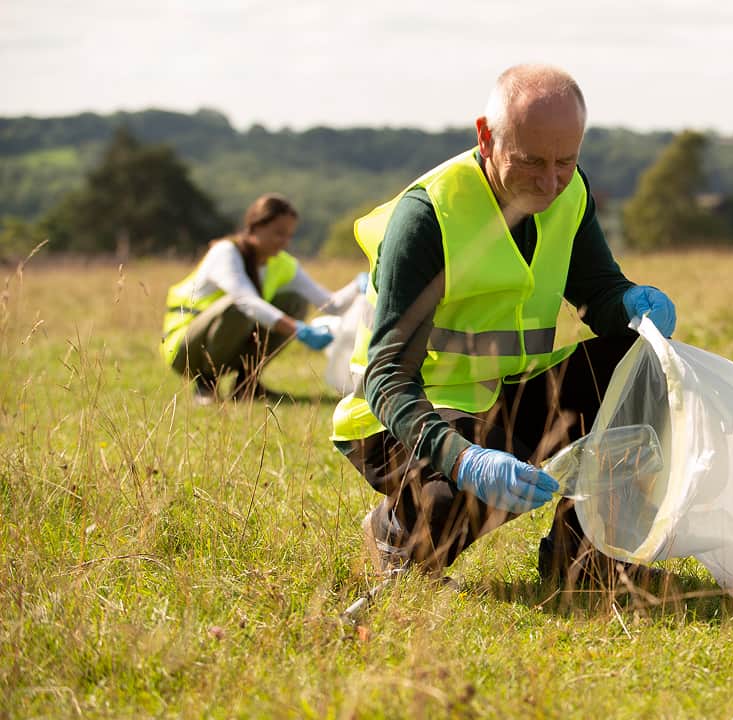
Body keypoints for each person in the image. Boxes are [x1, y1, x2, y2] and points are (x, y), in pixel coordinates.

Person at [330, 64, 678, 590]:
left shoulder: (568, 194)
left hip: (502, 401)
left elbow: (598, 293)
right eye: (532, 161)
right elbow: (387, 380)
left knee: (641, 359)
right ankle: (395, 532)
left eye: (566, 161)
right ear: (486, 137)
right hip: (406, 420)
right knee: (450, 508)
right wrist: (462, 459)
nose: (550, 181)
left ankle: (585, 557)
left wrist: (630, 302)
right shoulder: (426, 218)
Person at [162, 193, 367, 404]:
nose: (284, 242)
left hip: (228, 347)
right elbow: (246, 301)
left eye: (289, 235)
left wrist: (358, 287)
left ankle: (246, 386)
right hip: (186, 350)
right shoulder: (225, 252)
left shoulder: (282, 264)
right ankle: (206, 385)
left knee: (294, 301)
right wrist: (298, 329)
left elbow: (329, 304)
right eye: (278, 233)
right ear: (255, 226)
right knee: (239, 306)